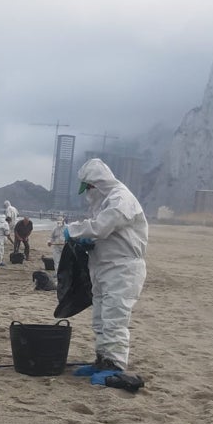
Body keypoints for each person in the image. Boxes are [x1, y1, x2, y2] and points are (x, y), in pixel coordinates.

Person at [64, 158, 148, 374]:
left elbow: (102, 227)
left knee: (114, 317)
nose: (88, 193)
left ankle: (115, 365)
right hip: (102, 267)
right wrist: (89, 243)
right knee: (101, 318)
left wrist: (73, 231)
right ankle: (102, 360)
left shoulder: (121, 199)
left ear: (97, 184)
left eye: (89, 188)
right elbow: (105, 234)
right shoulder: (105, 202)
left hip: (123, 269)